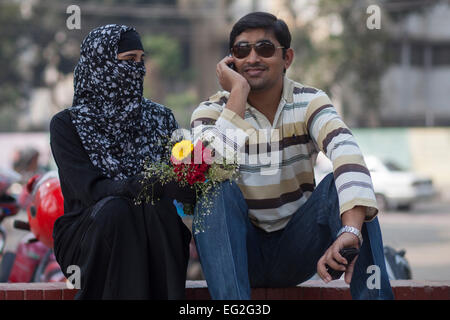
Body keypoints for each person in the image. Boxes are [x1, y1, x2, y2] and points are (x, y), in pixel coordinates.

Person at [190, 12, 394, 300]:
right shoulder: (210, 111)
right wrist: (238, 92)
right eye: (241, 50)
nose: (252, 58)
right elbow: (204, 170)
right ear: (230, 61)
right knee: (213, 187)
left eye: (264, 49)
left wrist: (351, 230)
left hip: (297, 249)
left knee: (346, 185)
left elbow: (345, 149)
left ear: (287, 58)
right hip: (237, 257)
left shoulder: (309, 101)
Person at [49, 24, 195, 299]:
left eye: (142, 60)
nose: (138, 69)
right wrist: (142, 185)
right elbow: (90, 190)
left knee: (158, 211)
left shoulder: (162, 118)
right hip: (88, 236)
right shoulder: (67, 124)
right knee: (118, 211)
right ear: (100, 64)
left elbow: (182, 187)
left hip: (151, 229)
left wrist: (196, 171)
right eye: (129, 60)